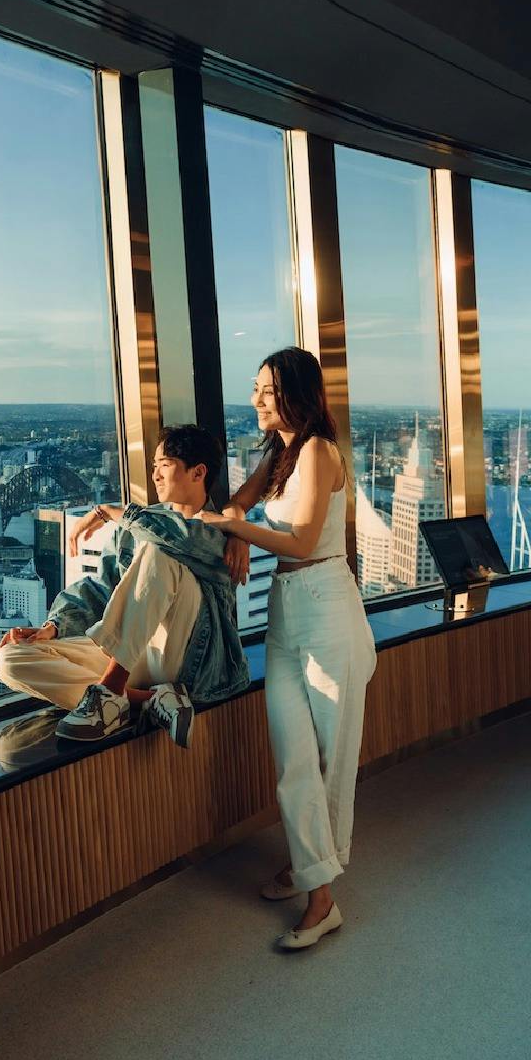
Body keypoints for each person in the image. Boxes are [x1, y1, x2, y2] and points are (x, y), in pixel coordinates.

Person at [198, 347, 377, 950]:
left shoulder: (320, 452)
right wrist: (239, 530)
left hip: (327, 603)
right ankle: (310, 868)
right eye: (255, 388)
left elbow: (301, 542)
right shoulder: (278, 453)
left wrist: (233, 529)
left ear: (295, 395)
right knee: (292, 756)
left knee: (330, 757)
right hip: (285, 607)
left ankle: (320, 896)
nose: (255, 400)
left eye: (266, 391)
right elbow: (240, 503)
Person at [0, 425, 249, 744]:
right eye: (154, 466)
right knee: (11, 659)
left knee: (158, 551)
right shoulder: (135, 525)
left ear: (198, 472)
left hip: (186, 663)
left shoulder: (221, 532)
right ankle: (147, 700)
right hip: (130, 656)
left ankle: (111, 689)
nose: (155, 475)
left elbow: (179, 536)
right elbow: (101, 589)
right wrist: (54, 627)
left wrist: (113, 513)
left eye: (165, 465)